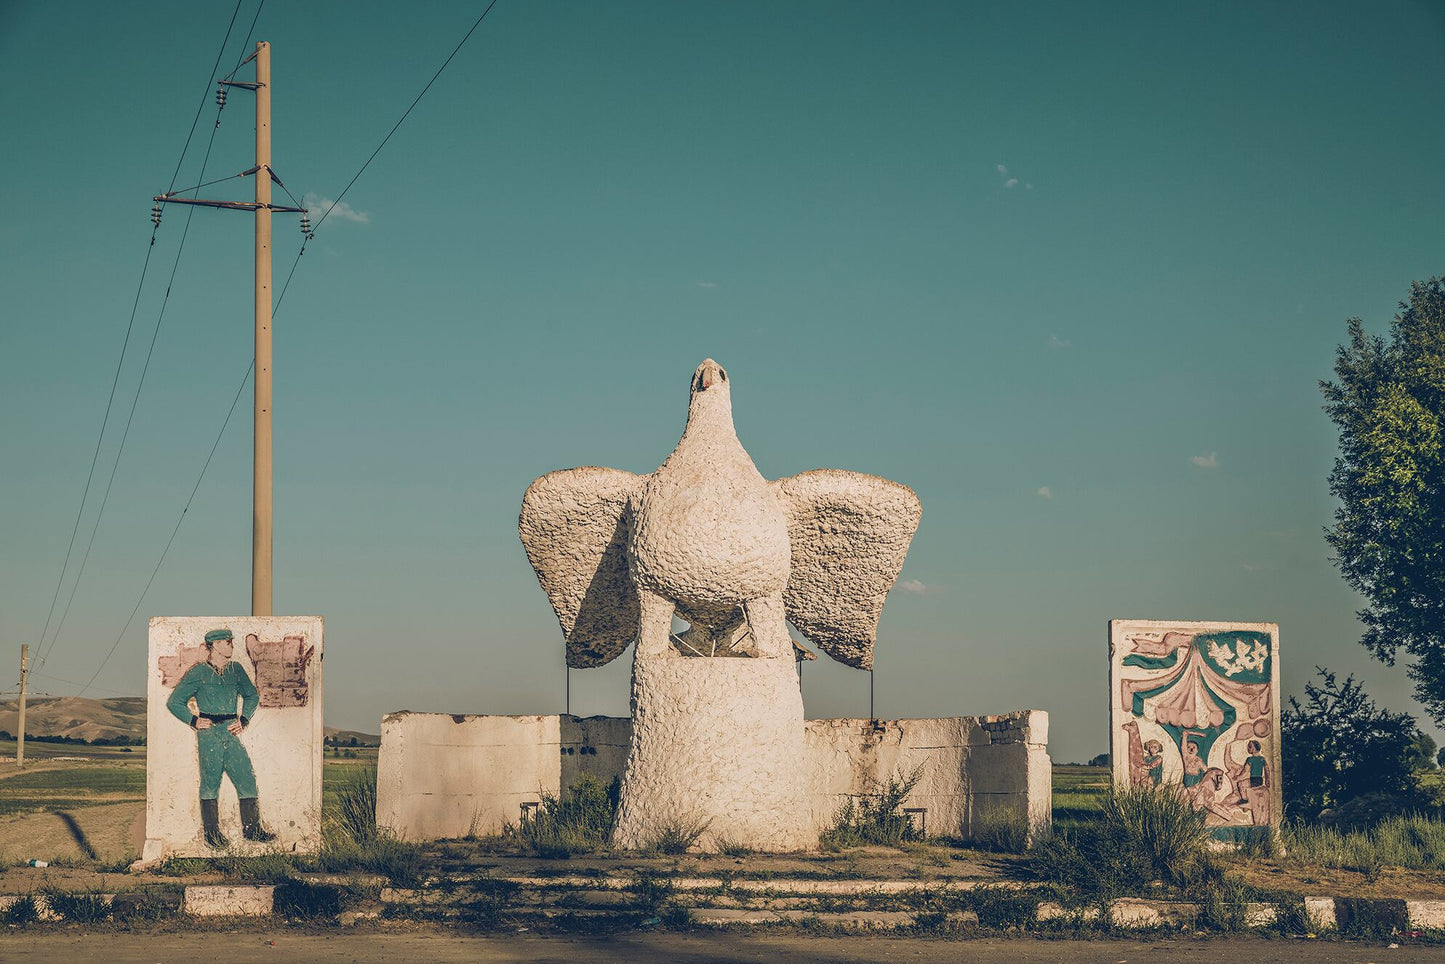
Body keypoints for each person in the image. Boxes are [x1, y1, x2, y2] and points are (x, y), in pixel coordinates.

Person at [166, 628, 275, 847]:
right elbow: (174, 701)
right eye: (227, 642)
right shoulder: (198, 672)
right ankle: (212, 835)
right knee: (210, 783)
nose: (231, 645)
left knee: (246, 778)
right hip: (209, 735)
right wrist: (194, 720)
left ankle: (252, 830)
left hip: (230, 731)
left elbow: (251, 695)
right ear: (214, 645)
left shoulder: (236, 669)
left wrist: (244, 720)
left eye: (231, 642)